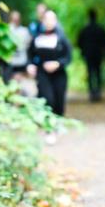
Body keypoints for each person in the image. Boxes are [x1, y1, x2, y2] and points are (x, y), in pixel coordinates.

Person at [27, 10, 72, 138]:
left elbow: (68, 57)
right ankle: (49, 129)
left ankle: (58, 124)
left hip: (59, 74)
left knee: (59, 100)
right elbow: (30, 54)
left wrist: (58, 64)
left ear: (56, 21)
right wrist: (31, 65)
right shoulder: (37, 38)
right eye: (46, 19)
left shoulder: (61, 38)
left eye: (52, 19)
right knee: (47, 99)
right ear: (43, 21)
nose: (49, 22)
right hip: (43, 74)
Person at [77, 9, 105, 102]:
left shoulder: (84, 29)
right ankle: (97, 92)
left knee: (91, 73)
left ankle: (92, 93)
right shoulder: (100, 29)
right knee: (98, 73)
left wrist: (83, 51)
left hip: (89, 54)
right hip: (98, 54)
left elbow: (79, 42)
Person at [4, 10, 32, 84]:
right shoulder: (6, 30)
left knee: (19, 82)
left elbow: (28, 45)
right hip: (9, 61)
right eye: (14, 19)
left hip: (21, 61)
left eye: (17, 19)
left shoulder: (24, 31)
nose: (15, 21)